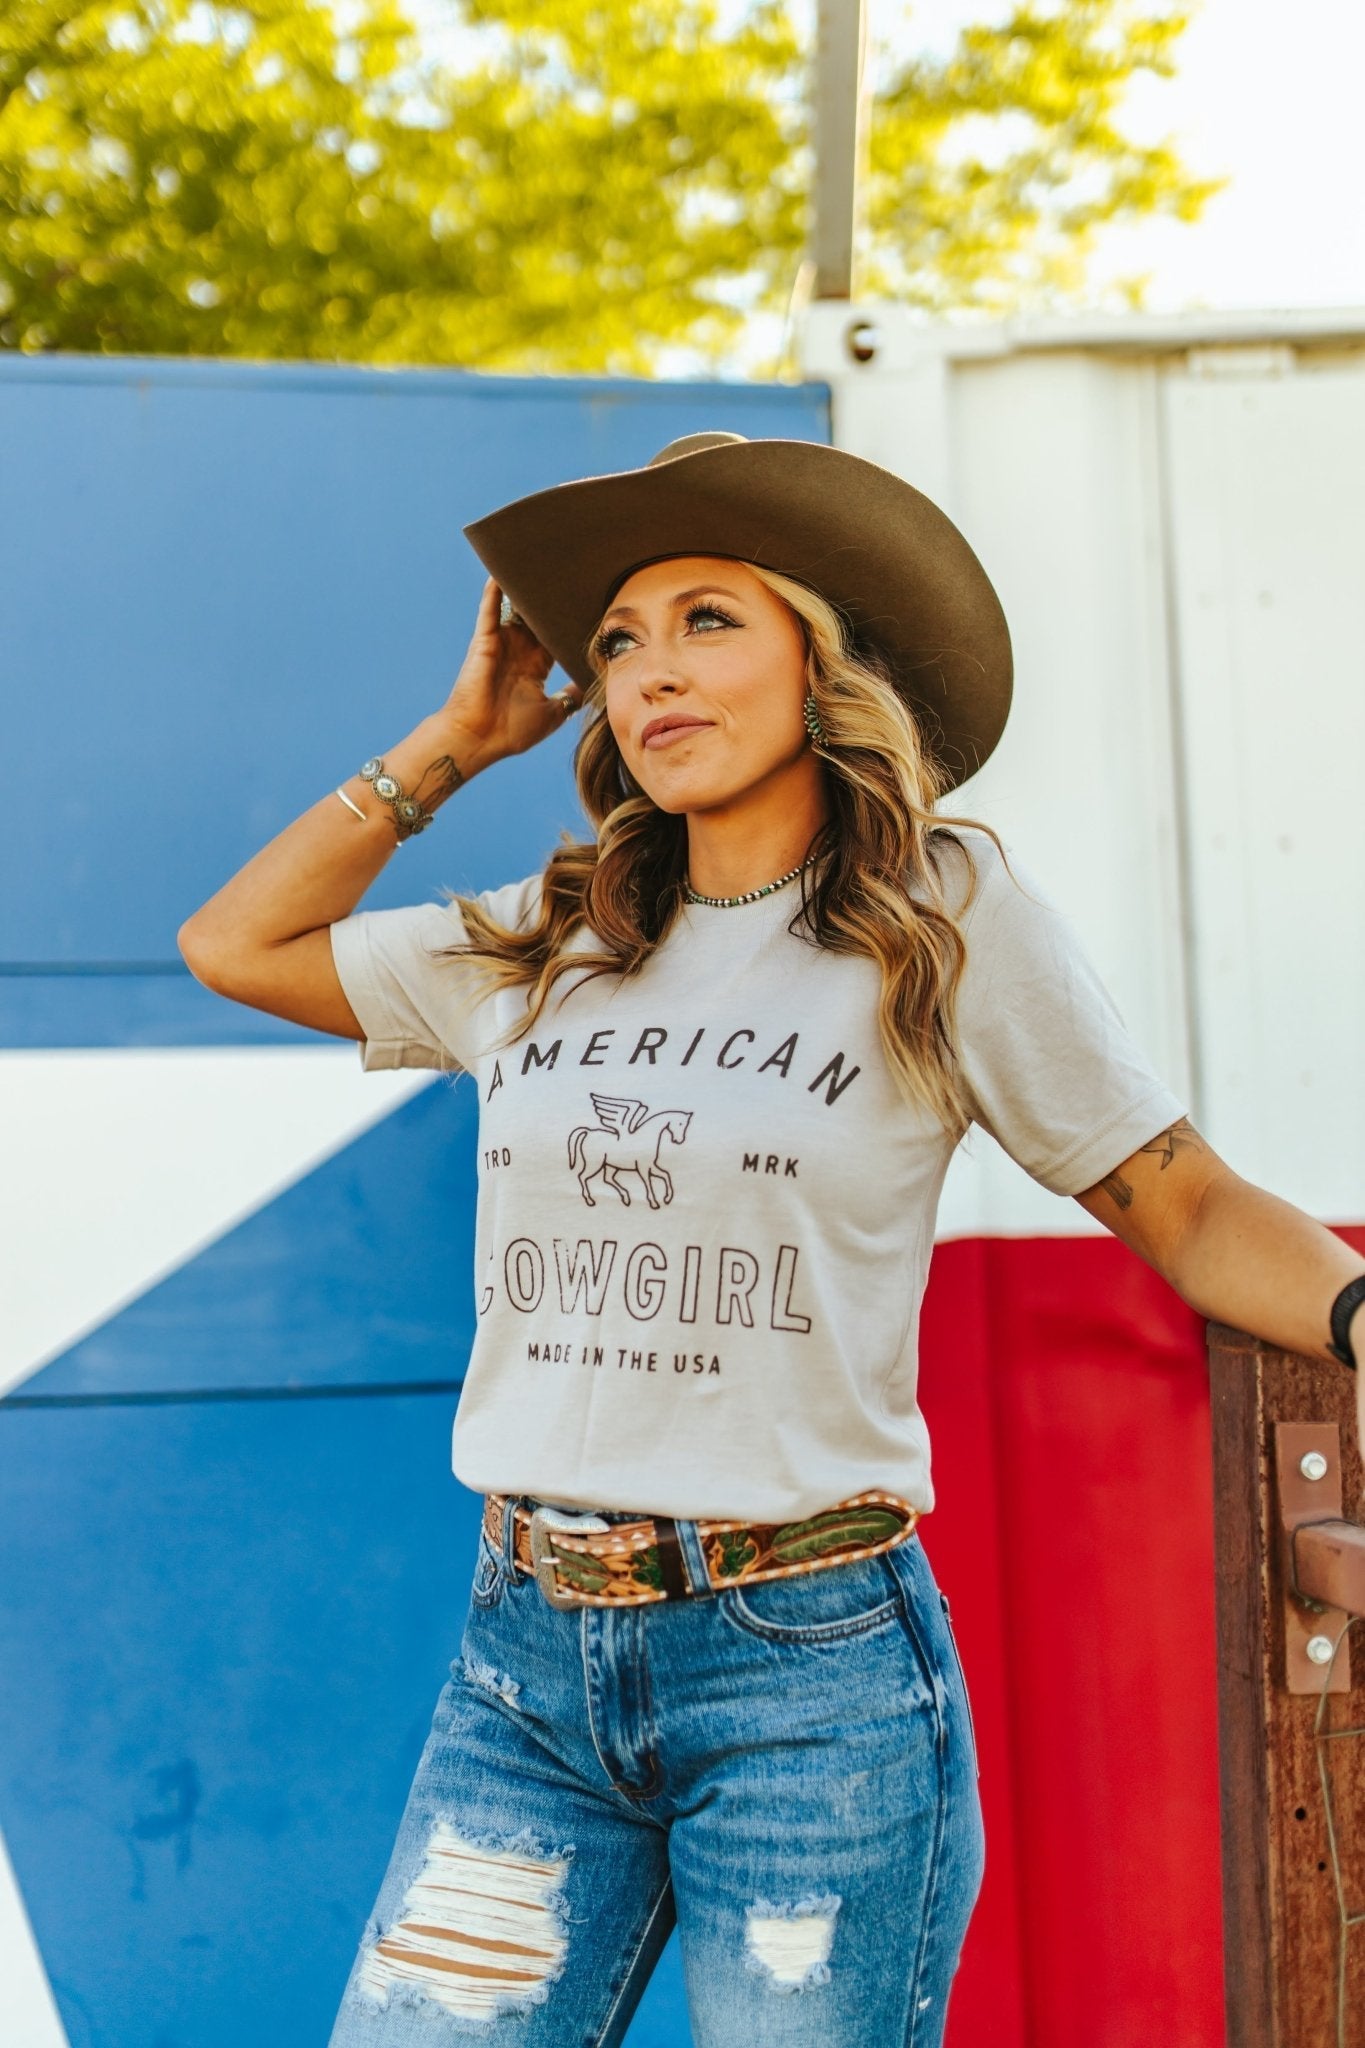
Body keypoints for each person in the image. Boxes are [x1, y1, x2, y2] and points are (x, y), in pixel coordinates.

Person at [179, 430, 1365, 2047]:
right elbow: (236, 945)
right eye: (617, 643)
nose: (650, 671)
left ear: (822, 662)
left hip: (807, 1679)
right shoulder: (553, 934)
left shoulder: (941, 917)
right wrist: (453, 745)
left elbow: (1183, 1199)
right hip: (524, 1670)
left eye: (706, 621)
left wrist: (1357, 1314)